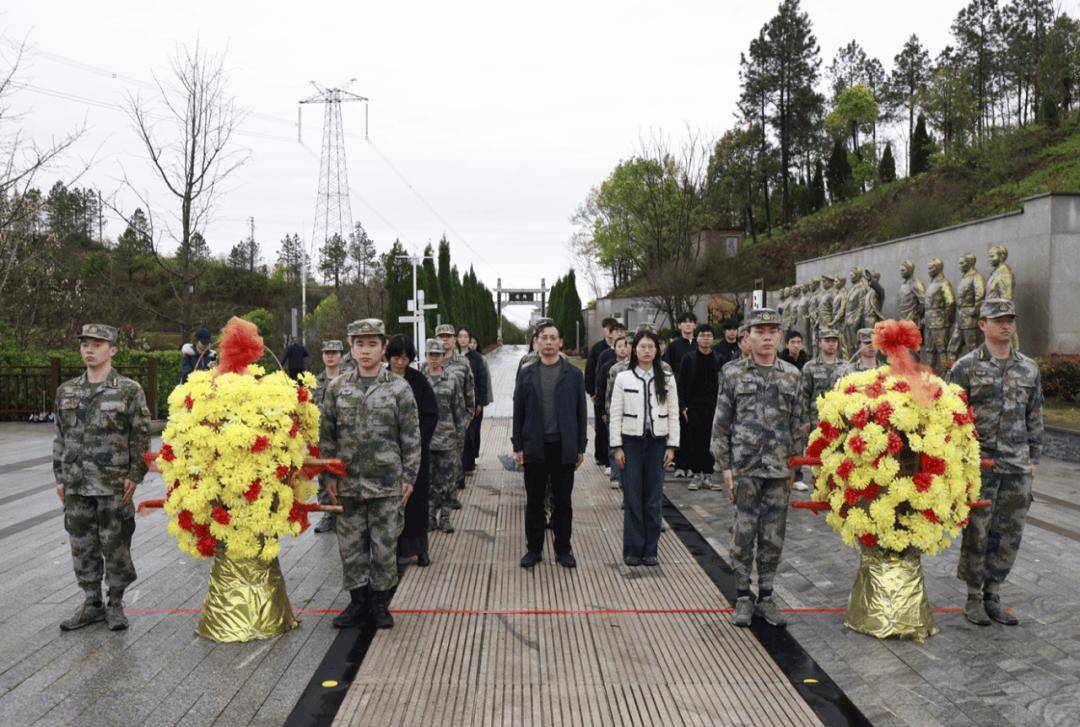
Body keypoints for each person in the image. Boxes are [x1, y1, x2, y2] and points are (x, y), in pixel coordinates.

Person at [320, 319, 421, 630]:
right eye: (360, 344)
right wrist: (329, 477)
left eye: (372, 344)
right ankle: (357, 603)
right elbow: (327, 436)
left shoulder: (399, 388)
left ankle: (380, 604)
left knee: (383, 548)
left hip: (387, 485)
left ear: (383, 348)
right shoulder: (337, 388)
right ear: (351, 347)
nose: (366, 351)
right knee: (350, 549)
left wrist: (409, 478)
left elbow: (411, 436)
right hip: (348, 484)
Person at [948, 299, 1043, 626]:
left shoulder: (1029, 368)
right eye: (998, 320)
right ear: (982, 325)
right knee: (978, 531)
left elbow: (1035, 415)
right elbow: (950, 418)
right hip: (980, 466)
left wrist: (1035, 460)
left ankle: (994, 594)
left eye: (1010, 320)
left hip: (1017, 466)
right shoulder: (965, 367)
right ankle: (973, 596)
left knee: (1009, 532)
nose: (1006, 326)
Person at [712, 308, 806, 628]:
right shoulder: (733, 373)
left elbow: (799, 423)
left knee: (773, 535)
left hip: (779, 470)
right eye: (759, 331)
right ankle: (742, 596)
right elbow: (721, 423)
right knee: (743, 532)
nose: (767, 336)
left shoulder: (792, 375)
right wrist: (725, 467)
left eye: (772, 331)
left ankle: (766, 596)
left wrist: (795, 464)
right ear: (747, 337)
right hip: (745, 468)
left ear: (779, 337)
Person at [53, 323, 151, 631]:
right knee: (82, 544)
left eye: (97, 344)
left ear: (113, 350)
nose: (89, 349)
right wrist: (60, 476)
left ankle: (116, 603)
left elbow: (141, 436)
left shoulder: (128, 390)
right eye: (85, 344)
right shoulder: (67, 390)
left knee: (116, 544)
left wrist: (135, 474)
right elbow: (60, 435)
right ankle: (92, 602)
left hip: (113, 484)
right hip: (76, 483)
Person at [512, 321, 587, 569]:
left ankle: (563, 549)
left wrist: (581, 447)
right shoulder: (526, 373)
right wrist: (518, 445)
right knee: (534, 501)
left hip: (563, 447)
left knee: (563, 502)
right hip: (534, 447)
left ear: (561, 342)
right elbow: (518, 411)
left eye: (553, 338)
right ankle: (533, 549)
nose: (548, 342)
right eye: (544, 337)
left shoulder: (574, 374)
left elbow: (580, 412)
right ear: (537, 341)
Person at [610, 331, 680, 566]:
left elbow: (673, 415)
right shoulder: (623, 378)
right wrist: (616, 447)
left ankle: (651, 550)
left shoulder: (667, 378)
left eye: (651, 346)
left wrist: (672, 445)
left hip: (658, 443)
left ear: (657, 350)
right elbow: (615, 414)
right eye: (642, 346)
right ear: (634, 350)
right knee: (632, 496)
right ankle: (632, 549)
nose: (647, 351)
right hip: (630, 443)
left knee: (653, 498)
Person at [387, 336, 439, 571]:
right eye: (397, 357)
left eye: (406, 357)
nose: (401, 362)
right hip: (386, 453)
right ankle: (395, 550)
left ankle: (420, 548)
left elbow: (431, 414)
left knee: (416, 501)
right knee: (392, 502)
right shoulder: (381, 380)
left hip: (415, 452)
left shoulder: (418, 380)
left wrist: (417, 441)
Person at [422, 338, 468, 533]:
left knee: (448, 481)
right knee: (429, 481)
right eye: (431, 355)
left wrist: (460, 439)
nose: (434, 359)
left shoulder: (452, 379)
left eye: (438, 355)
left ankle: (446, 517)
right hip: (426, 440)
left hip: (448, 439)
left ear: (443, 356)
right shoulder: (420, 379)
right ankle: (430, 516)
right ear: (426, 356)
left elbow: (459, 410)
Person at [797, 328, 850, 493]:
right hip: (816, 421)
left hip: (839, 421)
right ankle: (819, 489)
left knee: (838, 455)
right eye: (827, 340)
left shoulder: (846, 367)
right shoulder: (809, 367)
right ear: (820, 343)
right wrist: (804, 420)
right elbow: (803, 395)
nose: (831, 344)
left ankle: (837, 490)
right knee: (817, 458)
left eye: (834, 341)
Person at [678, 323, 722, 491]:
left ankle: (708, 475)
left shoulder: (718, 359)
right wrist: (683, 407)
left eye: (709, 335)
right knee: (695, 441)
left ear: (713, 338)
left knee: (710, 442)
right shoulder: (688, 359)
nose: (706, 338)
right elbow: (681, 384)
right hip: (693, 408)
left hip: (714, 408)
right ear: (697, 338)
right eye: (702, 335)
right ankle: (696, 474)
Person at [434, 324, 475, 502]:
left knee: (455, 463)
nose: (445, 339)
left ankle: (450, 500)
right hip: (435, 424)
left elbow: (470, 391)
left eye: (448, 336)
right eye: (441, 336)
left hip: (456, 422)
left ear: (454, 339)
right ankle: (437, 500)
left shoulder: (463, 363)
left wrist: (468, 417)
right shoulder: (431, 361)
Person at [314, 339, 346, 534]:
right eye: (327, 353)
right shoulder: (315, 381)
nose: (330, 356)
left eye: (334, 352)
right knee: (323, 477)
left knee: (343, 475)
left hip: (343, 437)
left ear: (341, 355)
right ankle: (327, 514)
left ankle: (344, 514)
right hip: (321, 437)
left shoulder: (348, 380)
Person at [596, 333, 630, 488]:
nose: (623, 349)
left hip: (631, 414)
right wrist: (604, 412)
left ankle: (627, 477)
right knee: (614, 444)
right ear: (614, 349)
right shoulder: (610, 368)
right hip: (614, 412)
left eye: (626, 346)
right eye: (620, 346)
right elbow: (604, 391)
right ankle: (615, 475)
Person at [457, 326, 492, 478]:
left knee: (470, 434)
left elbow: (482, 381)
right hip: (456, 404)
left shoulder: (476, 358)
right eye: (460, 336)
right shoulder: (453, 357)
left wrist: (480, 403)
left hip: (473, 403)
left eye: (466, 336)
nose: (463, 339)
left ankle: (469, 464)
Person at [585, 318, 620, 468]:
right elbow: (590, 371)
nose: (611, 332)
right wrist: (591, 391)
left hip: (616, 396)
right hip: (600, 394)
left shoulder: (623, 348)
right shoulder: (597, 348)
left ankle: (611, 458)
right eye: (608, 328)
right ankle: (601, 455)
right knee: (600, 426)